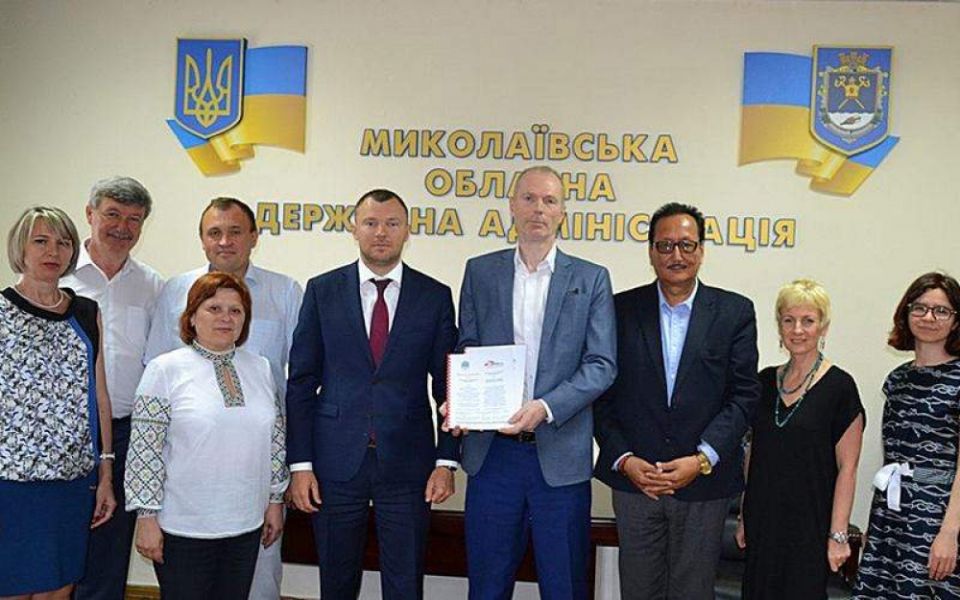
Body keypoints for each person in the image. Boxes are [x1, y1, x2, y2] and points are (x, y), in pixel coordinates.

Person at [446, 165, 617, 599]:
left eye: (549, 200)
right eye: (529, 198)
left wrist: (545, 407)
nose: (538, 208)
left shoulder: (591, 278)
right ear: (512, 206)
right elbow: (469, 346)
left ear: (562, 212)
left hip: (560, 457)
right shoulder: (480, 271)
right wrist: (461, 398)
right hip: (493, 457)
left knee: (564, 587)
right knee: (487, 587)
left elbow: (601, 364)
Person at [286, 189, 458, 600]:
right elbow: (302, 383)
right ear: (354, 229)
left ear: (407, 231)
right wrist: (301, 465)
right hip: (334, 463)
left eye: (392, 223)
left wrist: (446, 461)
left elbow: (449, 385)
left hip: (409, 466)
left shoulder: (434, 296)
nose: (381, 232)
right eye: (371, 223)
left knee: (405, 583)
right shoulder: (322, 291)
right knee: (336, 582)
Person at [593, 202, 760, 599]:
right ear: (651, 252)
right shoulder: (619, 310)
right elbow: (599, 393)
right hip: (636, 483)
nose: (676, 255)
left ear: (701, 250)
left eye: (686, 245)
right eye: (665, 246)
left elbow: (744, 395)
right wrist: (624, 459)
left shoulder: (734, 312)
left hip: (703, 483)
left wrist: (701, 459)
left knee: (693, 592)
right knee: (638, 591)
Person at [144, 196, 301, 600]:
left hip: (250, 501)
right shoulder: (173, 297)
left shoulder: (283, 298)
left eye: (235, 231)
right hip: (186, 508)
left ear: (254, 237)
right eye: (214, 232)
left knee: (259, 587)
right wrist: (146, 514)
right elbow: (148, 441)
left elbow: (294, 391)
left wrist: (276, 494)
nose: (225, 241)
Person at [125, 272, 288, 599]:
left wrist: (275, 500)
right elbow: (145, 451)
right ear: (191, 316)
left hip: (246, 523)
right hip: (184, 527)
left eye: (236, 310)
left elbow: (275, 439)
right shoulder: (164, 370)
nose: (226, 317)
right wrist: (146, 517)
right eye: (214, 308)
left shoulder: (261, 368)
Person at [0, 207, 116, 599]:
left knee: (59, 589)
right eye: (41, 241)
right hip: (10, 483)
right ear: (21, 248)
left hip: (71, 482)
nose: (53, 251)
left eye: (63, 242)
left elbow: (99, 395)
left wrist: (105, 472)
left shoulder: (86, 312)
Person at [61, 176, 164, 600]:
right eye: (112, 215)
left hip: (125, 434)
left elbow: (158, 364)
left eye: (134, 219)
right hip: (64, 433)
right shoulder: (59, 275)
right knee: (59, 544)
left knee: (109, 547)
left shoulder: (153, 285)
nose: (123, 227)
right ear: (90, 214)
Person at [735, 279, 865, 599]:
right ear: (779, 326)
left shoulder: (840, 387)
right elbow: (753, 452)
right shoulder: (764, 381)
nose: (797, 330)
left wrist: (838, 535)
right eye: (788, 320)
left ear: (823, 327)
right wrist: (744, 515)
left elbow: (848, 468)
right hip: (763, 519)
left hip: (810, 524)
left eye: (808, 320)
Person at [854, 272, 960, 599]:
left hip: (938, 512)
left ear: (956, 321)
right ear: (906, 313)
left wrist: (949, 533)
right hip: (890, 510)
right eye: (920, 308)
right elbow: (893, 457)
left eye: (941, 311)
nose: (929, 317)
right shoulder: (897, 379)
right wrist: (876, 524)